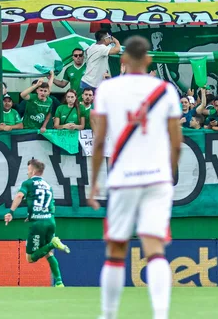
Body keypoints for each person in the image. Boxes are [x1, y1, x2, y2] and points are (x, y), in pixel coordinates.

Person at [87, 36, 181, 319]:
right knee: (155, 248)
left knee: (116, 248)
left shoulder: (108, 90)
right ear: (149, 60)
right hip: (157, 178)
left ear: (123, 60)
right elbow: (177, 142)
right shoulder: (166, 91)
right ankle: (161, 314)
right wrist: (169, 174)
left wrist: (94, 183)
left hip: (124, 177)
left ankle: (108, 314)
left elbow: (99, 140)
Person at [4, 158, 71, 287]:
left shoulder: (28, 183)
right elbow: (51, 206)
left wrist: (11, 212)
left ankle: (53, 243)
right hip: (50, 221)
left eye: (28, 170)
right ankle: (59, 282)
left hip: (38, 224)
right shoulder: (48, 186)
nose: (27, 173)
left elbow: (19, 196)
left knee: (30, 258)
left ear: (34, 170)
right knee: (48, 254)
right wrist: (33, 215)